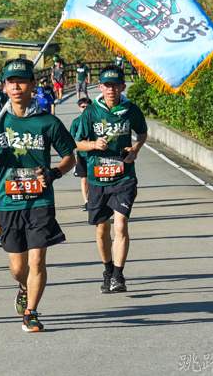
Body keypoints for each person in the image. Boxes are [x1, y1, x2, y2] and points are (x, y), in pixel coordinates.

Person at [0, 58, 76, 333]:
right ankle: (22, 286)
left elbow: (70, 157)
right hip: (8, 200)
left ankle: (31, 312)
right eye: (11, 82)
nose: (16, 86)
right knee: (18, 266)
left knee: (37, 260)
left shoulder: (48, 122)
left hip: (40, 200)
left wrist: (54, 173)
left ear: (32, 84)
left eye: (22, 81)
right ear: (4, 86)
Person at [74, 66, 148, 294]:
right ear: (100, 87)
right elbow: (77, 143)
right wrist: (94, 144)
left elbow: (142, 132)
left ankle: (118, 274)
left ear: (123, 87)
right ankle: (108, 271)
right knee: (101, 230)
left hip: (124, 176)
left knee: (121, 225)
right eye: (107, 85)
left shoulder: (131, 110)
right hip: (97, 178)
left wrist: (135, 148)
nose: (111, 89)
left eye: (116, 84)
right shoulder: (91, 113)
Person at [70, 97, 93, 211]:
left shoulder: (97, 120)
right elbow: (71, 140)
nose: (85, 109)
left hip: (95, 155)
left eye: (87, 106)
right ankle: (86, 201)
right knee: (84, 179)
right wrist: (73, 154)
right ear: (79, 108)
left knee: (95, 178)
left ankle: (95, 199)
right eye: (83, 107)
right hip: (81, 155)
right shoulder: (76, 122)